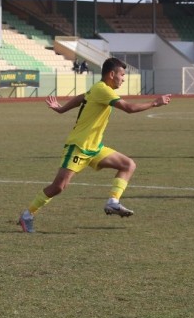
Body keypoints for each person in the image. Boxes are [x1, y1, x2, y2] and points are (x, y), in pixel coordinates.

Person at [18, 57, 172, 233]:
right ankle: (27, 214)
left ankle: (113, 202)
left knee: (128, 164)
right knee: (58, 187)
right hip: (79, 146)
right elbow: (128, 108)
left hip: (94, 148)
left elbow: (81, 97)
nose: (123, 78)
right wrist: (154, 103)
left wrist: (61, 109)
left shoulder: (98, 89)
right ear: (111, 74)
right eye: (122, 75)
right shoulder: (103, 90)